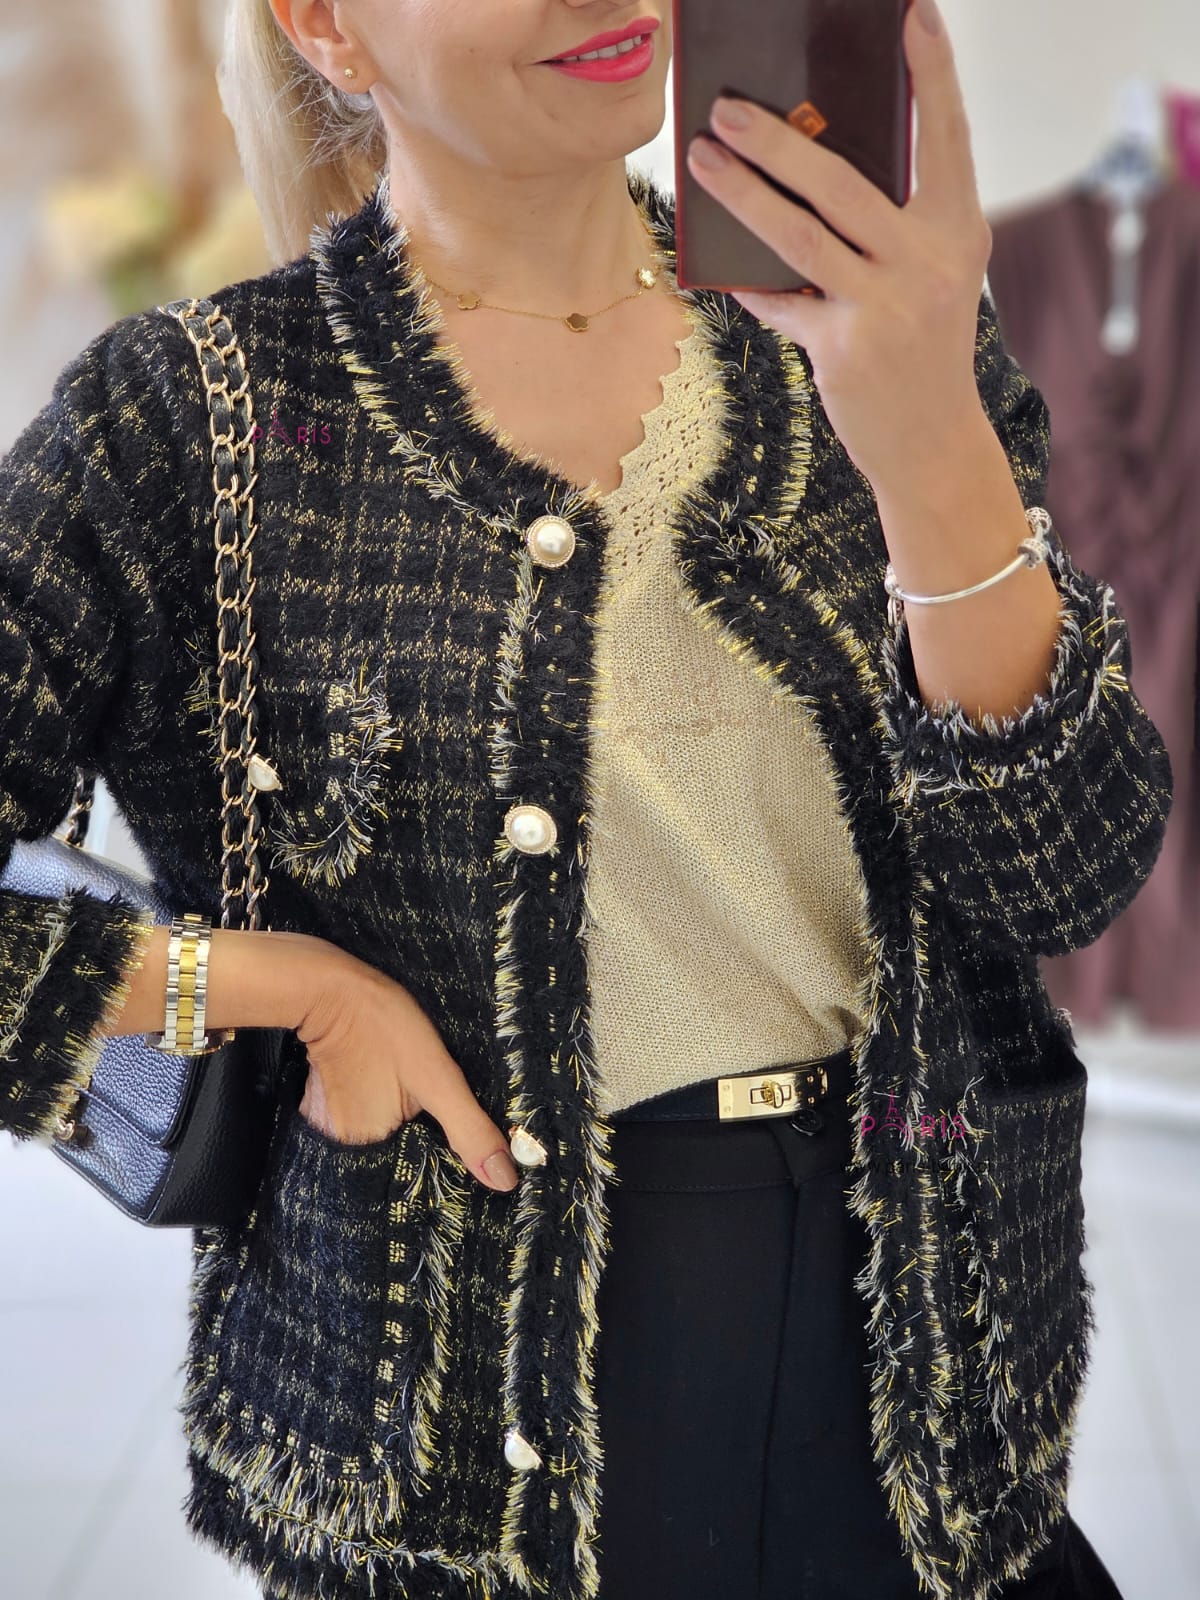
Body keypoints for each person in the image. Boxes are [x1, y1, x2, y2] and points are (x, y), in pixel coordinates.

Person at [0, 2, 1172, 1598]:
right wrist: (289, 992)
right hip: (458, 1424)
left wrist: (926, 441)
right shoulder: (186, 424)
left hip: (927, 1381)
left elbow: (1072, 873)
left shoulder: (863, 323)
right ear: (328, 24)